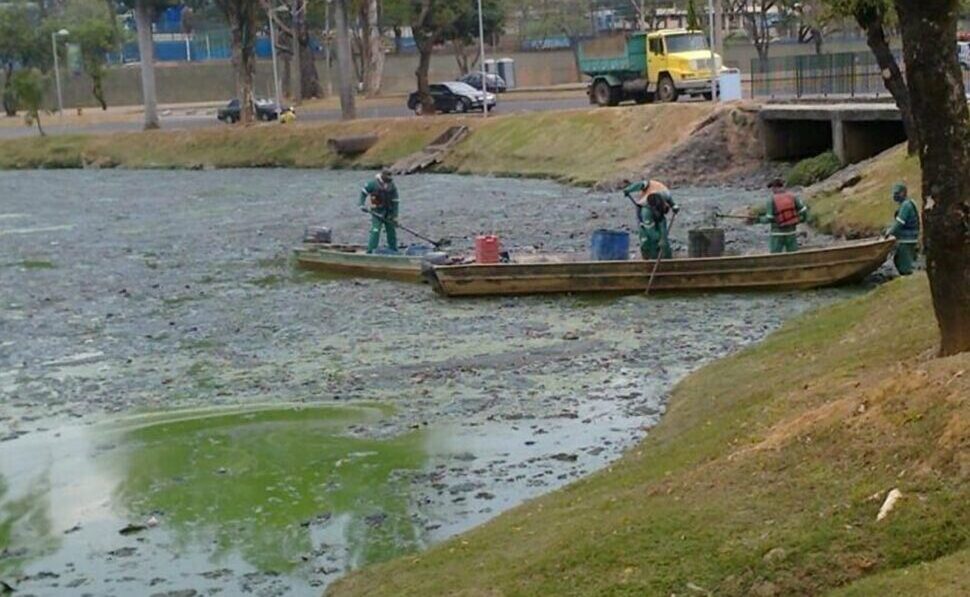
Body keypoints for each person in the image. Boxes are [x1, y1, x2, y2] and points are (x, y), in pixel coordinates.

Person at [622, 178, 679, 260]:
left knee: (663, 238)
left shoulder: (665, 194)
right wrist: (629, 189)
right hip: (644, 209)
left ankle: (666, 258)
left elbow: (671, 202)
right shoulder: (646, 209)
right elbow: (640, 184)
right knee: (647, 237)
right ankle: (650, 258)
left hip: (658, 211)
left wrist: (674, 206)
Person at [756, 178, 809, 253]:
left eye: (773, 188)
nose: (772, 190)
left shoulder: (771, 200)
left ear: (775, 188)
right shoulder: (793, 197)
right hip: (791, 232)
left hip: (777, 233)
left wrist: (758, 220)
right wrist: (802, 220)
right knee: (793, 253)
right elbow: (804, 210)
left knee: (775, 254)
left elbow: (769, 218)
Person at [358, 170, 399, 254]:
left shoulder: (392, 186)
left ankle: (394, 249)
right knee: (375, 230)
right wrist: (361, 204)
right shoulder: (372, 184)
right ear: (382, 176)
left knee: (391, 231)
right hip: (377, 212)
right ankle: (371, 250)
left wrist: (395, 216)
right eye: (387, 177)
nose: (389, 179)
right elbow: (363, 193)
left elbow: (396, 201)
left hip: (389, 212)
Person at [885, 182, 920, 275]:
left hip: (907, 239)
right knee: (899, 261)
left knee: (904, 265)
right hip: (909, 238)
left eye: (897, 193)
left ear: (903, 193)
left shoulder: (906, 206)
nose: (895, 196)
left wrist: (889, 233)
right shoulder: (908, 203)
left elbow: (899, 223)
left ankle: (909, 277)